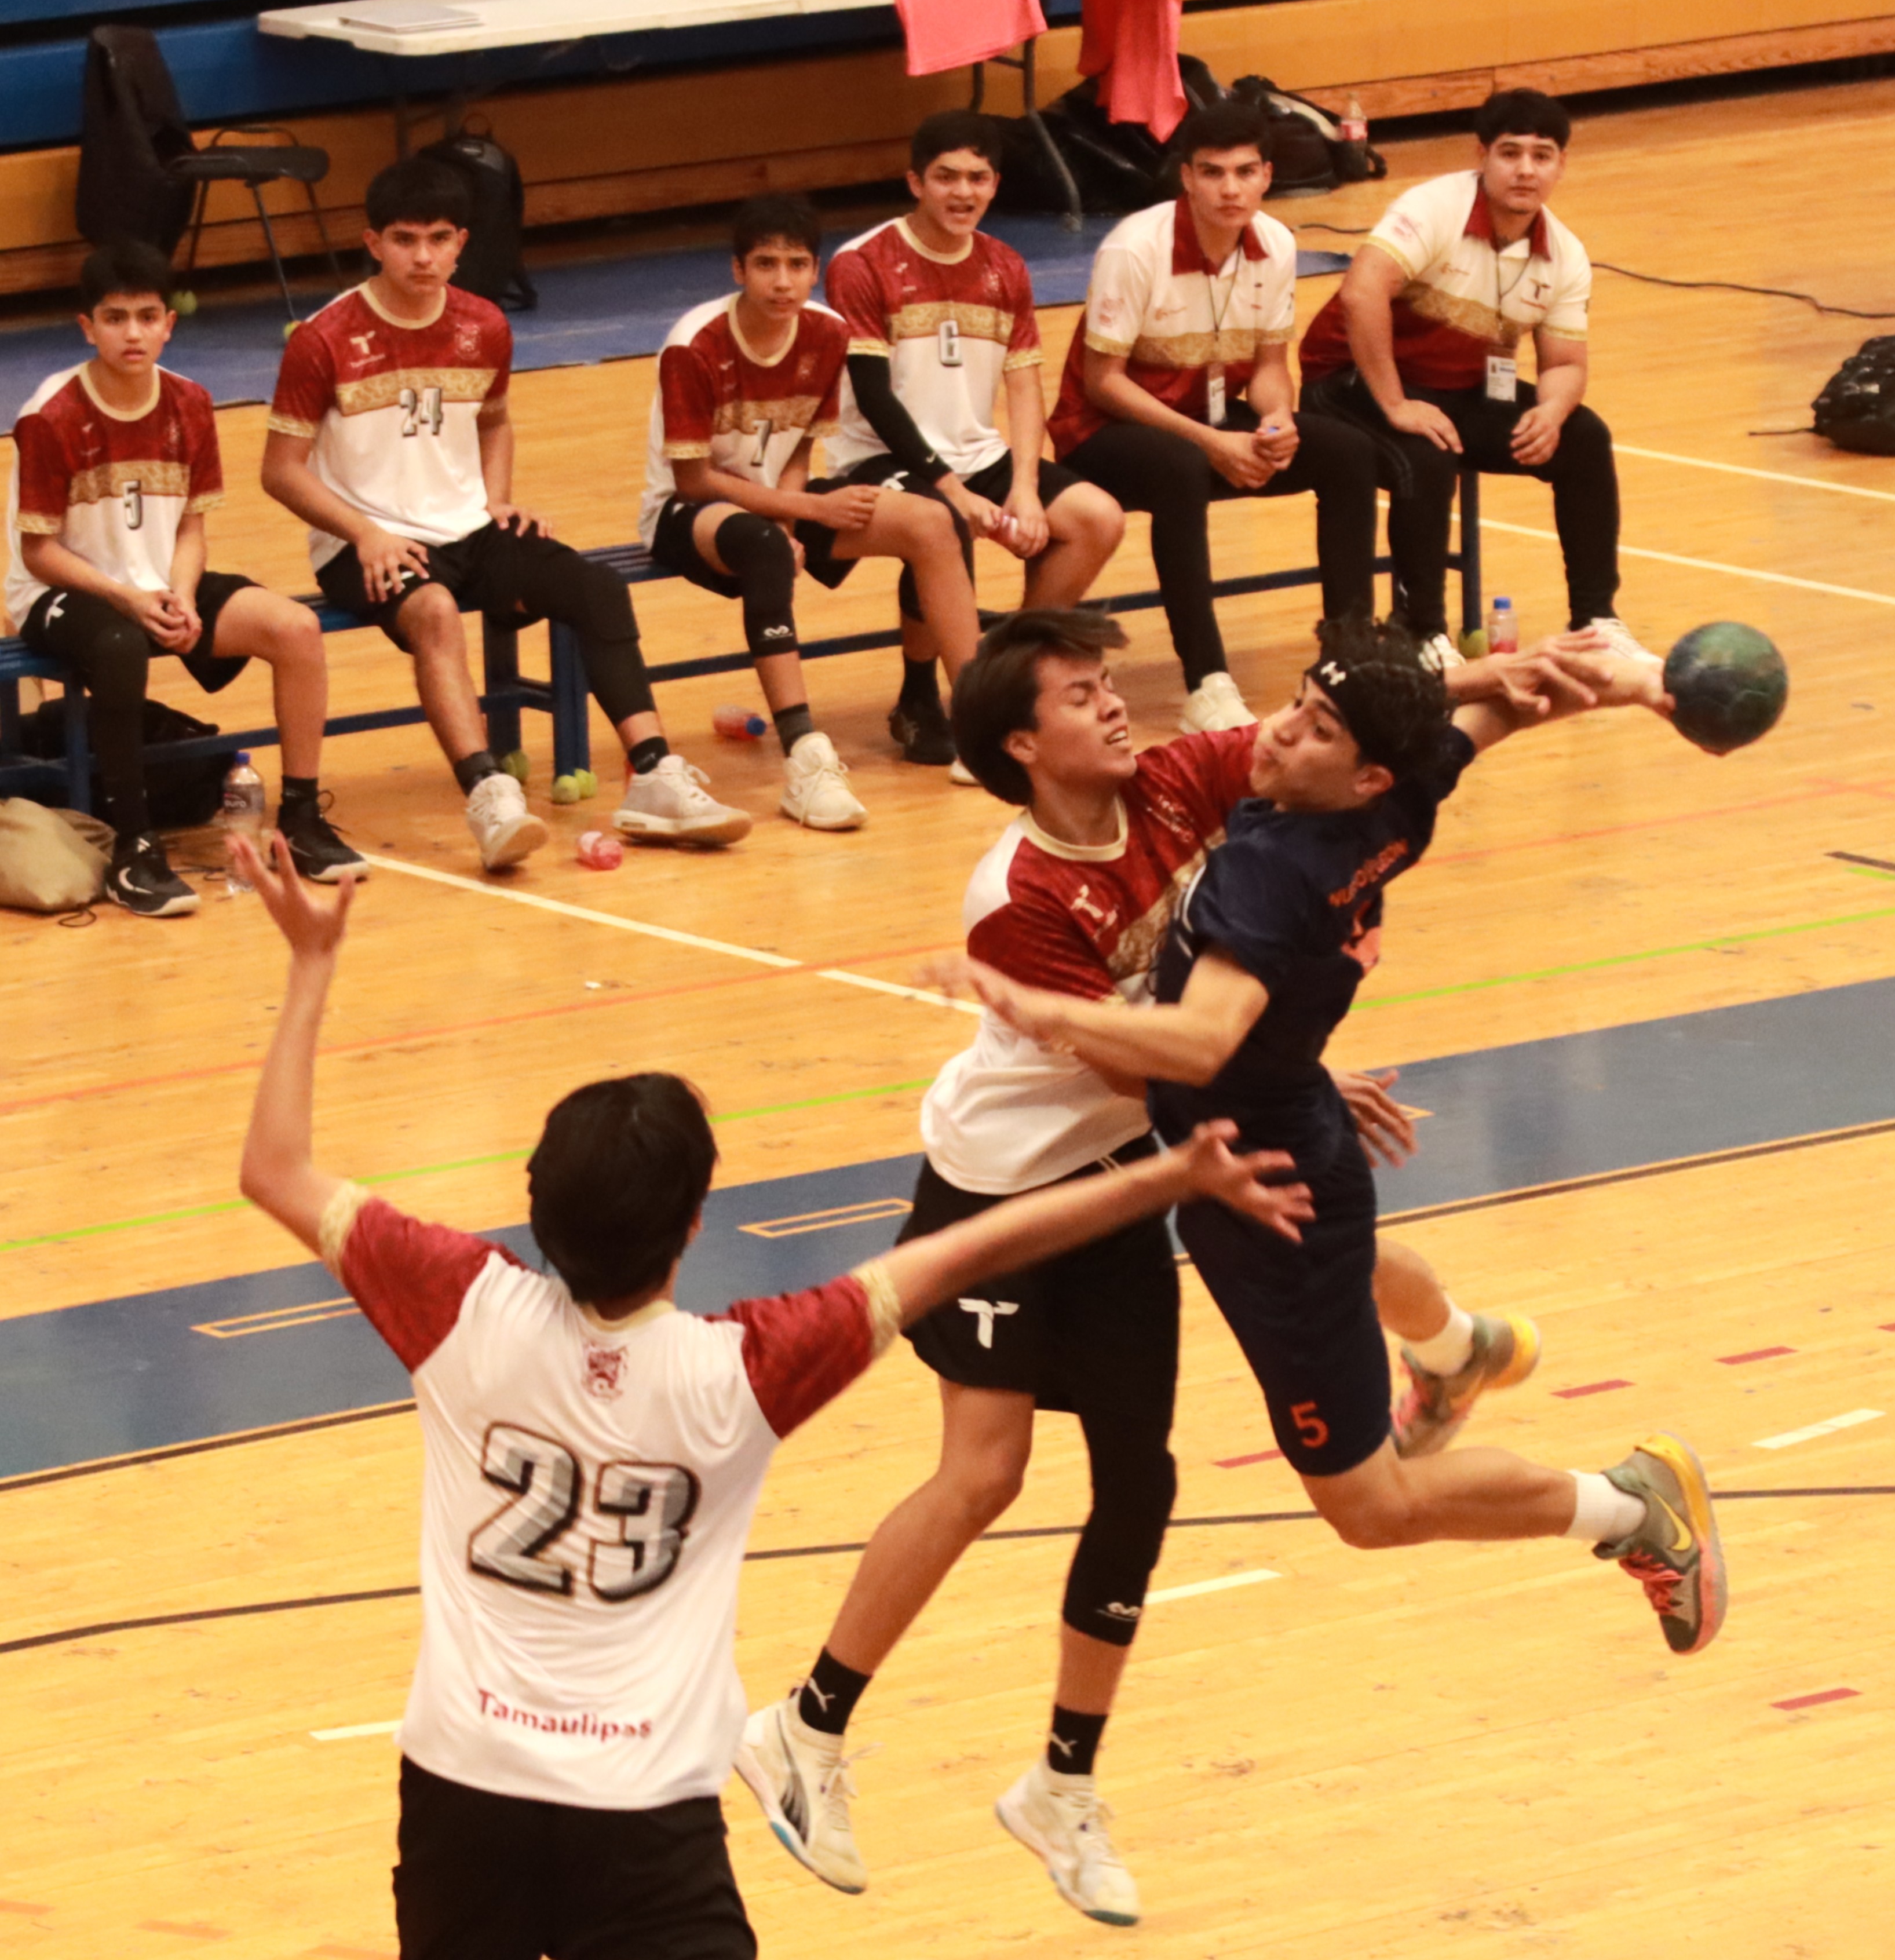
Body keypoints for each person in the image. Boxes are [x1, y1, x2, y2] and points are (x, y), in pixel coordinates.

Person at [231, 826, 1303, 1960]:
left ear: (534, 1202)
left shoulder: (459, 1307)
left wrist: (310, 965)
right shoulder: (737, 1370)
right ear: (696, 1225)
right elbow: (972, 1247)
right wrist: (1170, 1174)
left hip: (459, 1790)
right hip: (644, 1819)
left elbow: (273, 1169)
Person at [733, 609, 1603, 1925]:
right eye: (1083, 696)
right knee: (984, 1471)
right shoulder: (1015, 895)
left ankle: (1062, 1789)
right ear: (1026, 743)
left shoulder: (1182, 777)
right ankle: (804, 1727)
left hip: (1133, 1183)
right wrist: (1281, 1061)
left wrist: (1514, 676)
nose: (1114, 706)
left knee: (1139, 1485)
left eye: (1106, 683)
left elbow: (1340, 730)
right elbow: (1154, 1053)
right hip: (1002, 1191)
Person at [944, 616, 1726, 1674]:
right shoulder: (1399, 791)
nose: (1274, 736)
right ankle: (1458, 1351)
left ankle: (1629, 1511)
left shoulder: (1265, 873)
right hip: (1288, 1124)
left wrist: (1028, 1007)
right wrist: (1636, 681)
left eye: (1314, 731)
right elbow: (1491, 714)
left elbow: (1193, 1040)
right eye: (1298, 707)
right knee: (1350, 1267)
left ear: (1360, 777)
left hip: (1262, 1184)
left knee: (1369, 1504)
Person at [264, 157, 750, 871]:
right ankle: (489, 795)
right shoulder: (323, 339)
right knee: (432, 612)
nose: (423, 256)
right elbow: (279, 472)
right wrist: (365, 532)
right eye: (404, 240)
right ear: (373, 243)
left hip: (469, 527)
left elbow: (494, 422)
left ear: (461, 241)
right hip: (362, 542)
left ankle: (652, 776)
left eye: (437, 239)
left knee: (597, 588)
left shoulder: (484, 325)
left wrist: (496, 497)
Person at [6, 242, 363, 916]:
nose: (132, 333)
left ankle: (303, 816)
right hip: (61, 592)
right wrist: (129, 598)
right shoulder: (49, 416)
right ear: (88, 327)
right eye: (115, 319)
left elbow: (192, 529)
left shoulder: (192, 404)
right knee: (117, 650)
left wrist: (181, 592)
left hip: (158, 580)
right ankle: (135, 851)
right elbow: (39, 553)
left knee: (295, 627)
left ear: (169, 322)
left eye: (147, 317)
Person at [642, 192, 981, 830]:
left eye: (797, 265)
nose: (782, 281)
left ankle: (979, 717)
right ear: (738, 271)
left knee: (935, 521)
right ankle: (805, 758)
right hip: (689, 512)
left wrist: (793, 519)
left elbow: (799, 442)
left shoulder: (827, 333)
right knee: (765, 549)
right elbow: (693, 478)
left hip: (780, 503)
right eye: (766, 265)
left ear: (815, 269)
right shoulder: (693, 343)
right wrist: (794, 516)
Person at [1046, 100, 1382, 734]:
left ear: (1266, 175)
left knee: (1347, 451)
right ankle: (1207, 681)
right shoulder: (1133, 249)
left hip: (1209, 418)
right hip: (1104, 433)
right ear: (1187, 178)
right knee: (1180, 468)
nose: (1230, 188)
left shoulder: (1276, 244)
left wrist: (1277, 421)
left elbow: (1267, 368)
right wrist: (1210, 443)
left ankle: (1347, 658)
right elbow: (1103, 383)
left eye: (1244, 172)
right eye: (1212, 173)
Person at [1300, 89, 1647, 666]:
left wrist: (1551, 412)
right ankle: (1420, 632)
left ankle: (1596, 623)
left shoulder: (1563, 254)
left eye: (1542, 156)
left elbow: (1564, 365)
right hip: (1349, 381)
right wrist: (1394, 404)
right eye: (1510, 153)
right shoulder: (1434, 208)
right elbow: (1362, 293)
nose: (1526, 170)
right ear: (1482, 155)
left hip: (1461, 387)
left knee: (1585, 439)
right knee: (1428, 454)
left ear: (1561, 165)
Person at [824, 111, 1124, 768]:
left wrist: (1024, 485)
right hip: (877, 455)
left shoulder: (1005, 266)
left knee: (1097, 519)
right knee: (941, 526)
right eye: (946, 178)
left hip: (979, 453)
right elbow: (873, 397)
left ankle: (1011, 673)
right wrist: (951, 488)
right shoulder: (861, 263)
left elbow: (1023, 383)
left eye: (978, 178)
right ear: (915, 182)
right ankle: (976, 719)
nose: (963, 193)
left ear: (995, 184)